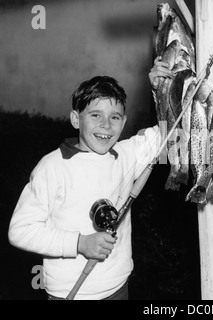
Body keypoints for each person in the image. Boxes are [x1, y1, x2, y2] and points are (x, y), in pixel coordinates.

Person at [8, 62, 173, 300]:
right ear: (76, 119)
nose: (106, 125)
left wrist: (162, 88)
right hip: (70, 293)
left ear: (124, 123)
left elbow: (172, 133)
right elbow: (20, 231)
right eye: (96, 115)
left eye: (114, 117)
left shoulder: (127, 154)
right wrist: (80, 243)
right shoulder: (52, 167)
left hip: (118, 288)